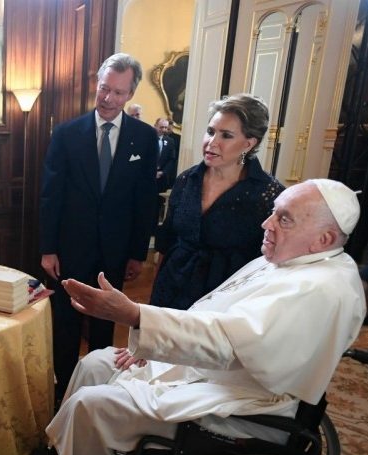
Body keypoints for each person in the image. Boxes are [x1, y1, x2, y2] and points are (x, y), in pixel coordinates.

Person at [44, 178, 364, 455]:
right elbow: (212, 315)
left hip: (239, 404)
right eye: (273, 212)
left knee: (89, 404)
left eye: (284, 219)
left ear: (323, 239)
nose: (266, 224)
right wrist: (152, 342)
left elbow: (229, 342)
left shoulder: (318, 289)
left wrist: (136, 316)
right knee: (94, 364)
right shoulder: (293, 260)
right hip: (213, 371)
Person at [39, 53, 158, 402]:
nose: (108, 98)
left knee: (106, 324)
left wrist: (138, 252)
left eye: (118, 92)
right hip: (70, 248)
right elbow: (51, 195)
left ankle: (96, 394)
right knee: (66, 324)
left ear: (130, 94)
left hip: (115, 250)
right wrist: (48, 248)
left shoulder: (144, 138)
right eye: (104, 88)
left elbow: (145, 199)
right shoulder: (66, 134)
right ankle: (62, 393)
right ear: (97, 84)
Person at [150, 94, 285, 310]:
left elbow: (268, 262)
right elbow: (167, 242)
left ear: (249, 144)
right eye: (211, 131)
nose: (212, 143)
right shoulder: (187, 179)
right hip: (171, 289)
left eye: (226, 135)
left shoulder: (269, 194)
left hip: (224, 300)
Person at [154, 117, 177, 190]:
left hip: (161, 180)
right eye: (161, 127)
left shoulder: (170, 141)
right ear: (155, 126)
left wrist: (162, 172)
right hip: (147, 177)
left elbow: (172, 159)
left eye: (165, 127)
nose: (164, 130)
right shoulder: (148, 138)